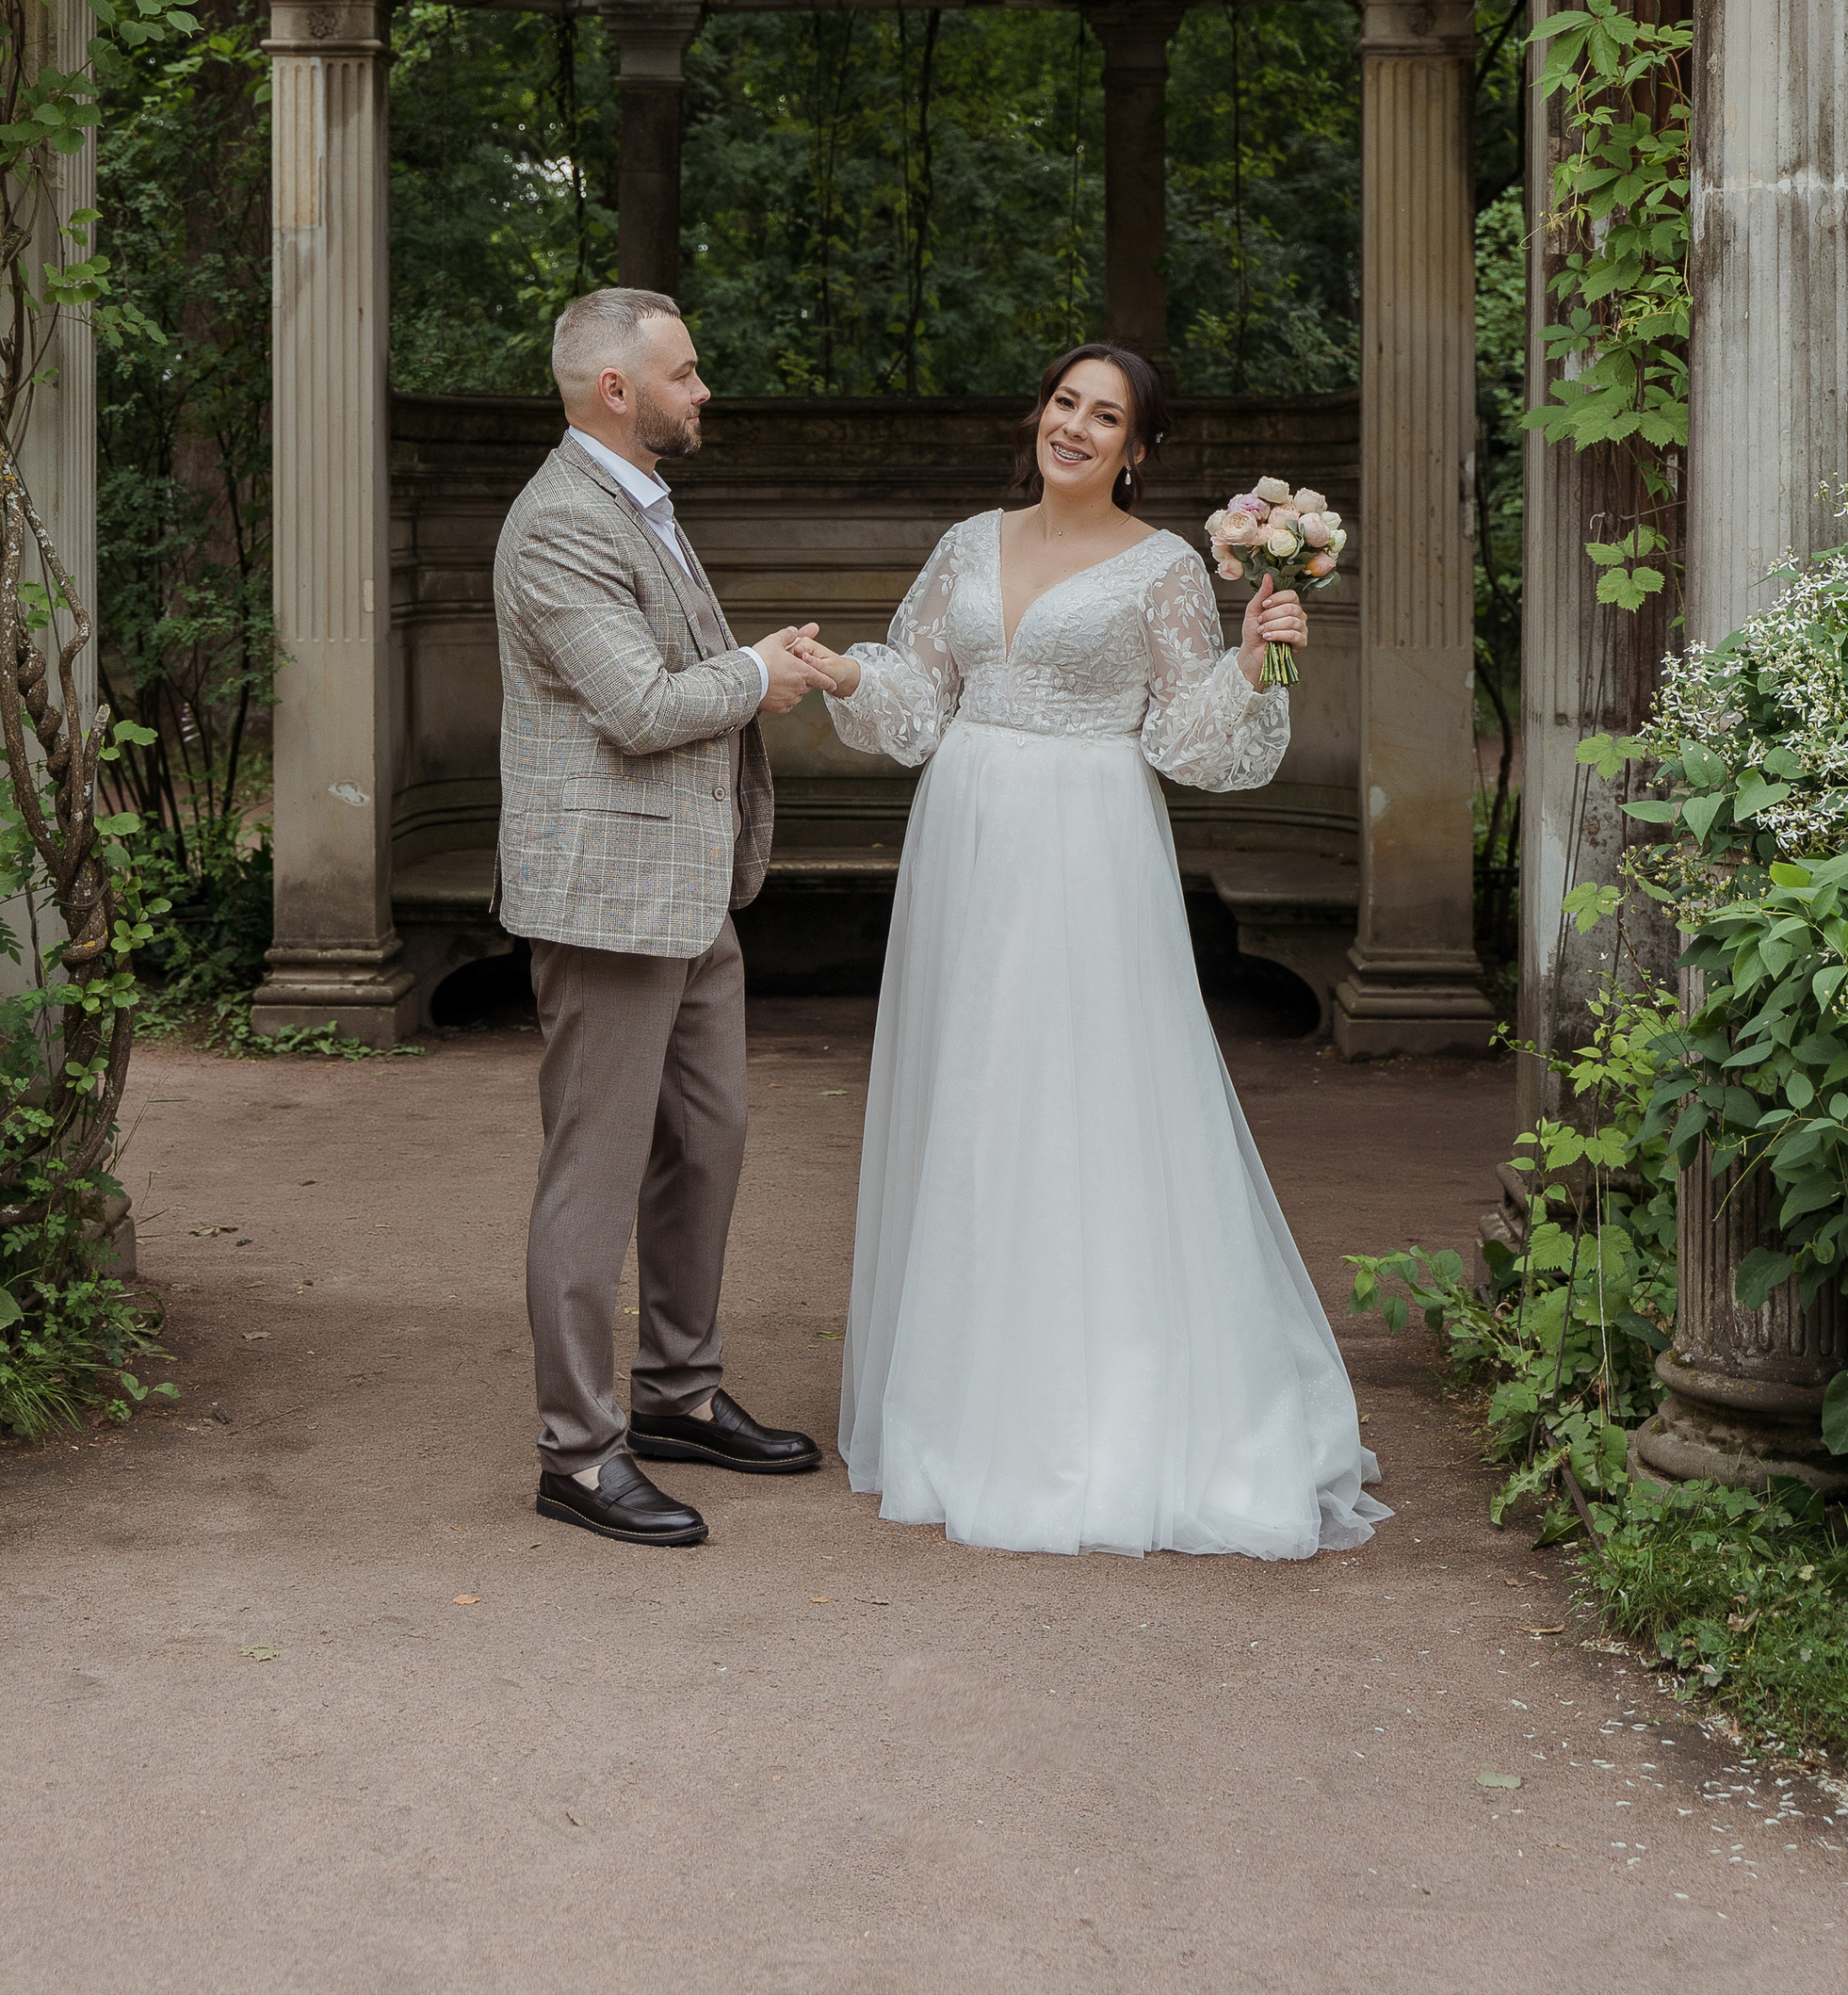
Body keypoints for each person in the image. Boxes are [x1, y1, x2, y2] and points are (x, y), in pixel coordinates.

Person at [790, 343, 1387, 1562]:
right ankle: (965, 1394)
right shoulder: (968, 543)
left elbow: (1186, 738)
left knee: (1086, 1102)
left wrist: (1253, 662)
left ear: (1138, 448)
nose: (1074, 426)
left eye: (1104, 416)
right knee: (973, 1098)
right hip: (966, 834)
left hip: (1088, 843)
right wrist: (848, 671)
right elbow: (920, 695)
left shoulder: (1163, 567)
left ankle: (1104, 1409)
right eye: (1065, 402)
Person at [494, 284, 826, 1548]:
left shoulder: (639, 501)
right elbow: (637, 706)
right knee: (595, 1173)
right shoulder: (558, 523)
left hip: (690, 890)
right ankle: (578, 1454)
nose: (703, 390)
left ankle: (678, 1395)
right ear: (614, 390)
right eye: (684, 374)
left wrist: (751, 665)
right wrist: (758, 673)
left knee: (707, 1142)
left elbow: (672, 677)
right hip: (606, 901)